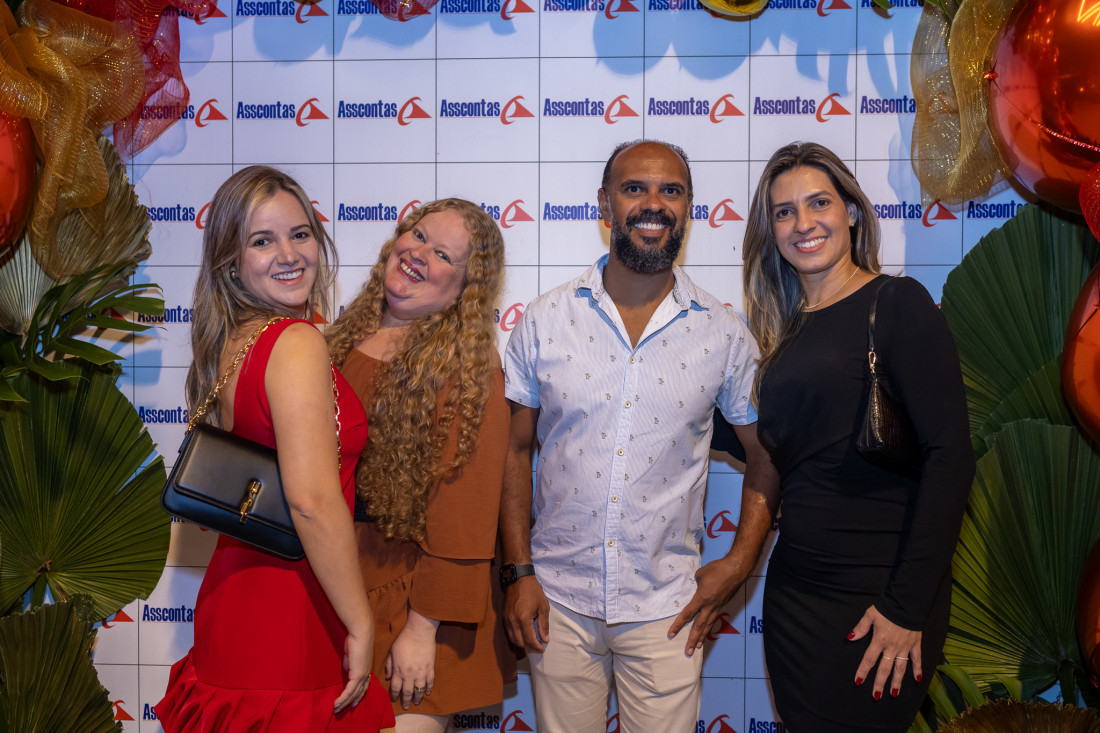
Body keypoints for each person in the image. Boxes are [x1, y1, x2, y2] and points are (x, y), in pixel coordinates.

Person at [500, 140, 781, 732]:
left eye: (670, 191)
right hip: (557, 599)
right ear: (605, 205)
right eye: (635, 188)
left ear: (689, 209)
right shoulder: (545, 320)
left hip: (668, 606)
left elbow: (765, 455)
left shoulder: (724, 334)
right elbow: (513, 450)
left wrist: (739, 562)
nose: (654, 203)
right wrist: (519, 572)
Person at [742, 141, 975, 732]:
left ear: (850, 211)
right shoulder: (784, 336)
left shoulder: (896, 304)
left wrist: (906, 606)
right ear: (771, 231)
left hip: (880, 597)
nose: (803, 223)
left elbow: (950, 458)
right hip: (796, 596)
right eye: (784, 212)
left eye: (818, 203)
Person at [155, 166, 395, 732]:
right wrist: (362, 622)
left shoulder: (236, 340)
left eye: (300, 234)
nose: (289, 255)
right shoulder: (294, 342)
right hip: (294, 607)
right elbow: (312, 501)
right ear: (231, 261)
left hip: (236, 597)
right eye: (262, 241)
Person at [325, 198, 516, 732]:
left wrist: (422, 628)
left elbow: (465, 511)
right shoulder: (343, 336)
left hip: (412, 600)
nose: (419, 254)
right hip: (339, 585)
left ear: (464, 290)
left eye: (443, 255)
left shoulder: (467, 368)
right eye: (418, 235)